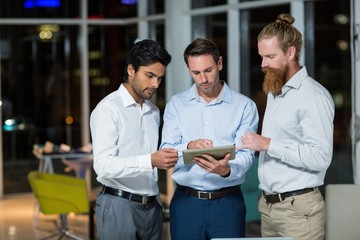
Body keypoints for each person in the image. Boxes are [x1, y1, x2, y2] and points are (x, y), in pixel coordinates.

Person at [238, 13, 335, 240]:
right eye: (261, 57)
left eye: (270, 56)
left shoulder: (314, 96)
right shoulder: (275, 90)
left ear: (290, 52)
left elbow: (320, 157)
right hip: (269, 207)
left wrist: (268, 144)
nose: (263, 64)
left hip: (299, 211)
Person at [160, 38, 259, 240]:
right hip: (186, 204)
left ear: (219, 64)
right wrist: (188, 146)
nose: (203, 79)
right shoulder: (176, 105)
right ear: (189, 70)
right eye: (196, 73)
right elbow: (166, 152)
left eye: (208, 70)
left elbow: (246, 154)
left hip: (228, 204)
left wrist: (227, 170)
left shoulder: (244, 106)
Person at [90, 39, 178, 240]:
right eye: (149, 76)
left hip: (153, 207)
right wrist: (150, 161)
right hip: (118, 207)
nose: (155, 84)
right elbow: (103, 166)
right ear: (131, 70)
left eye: (160, 78)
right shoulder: (108, 110)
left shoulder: (154, 112)